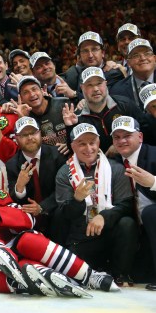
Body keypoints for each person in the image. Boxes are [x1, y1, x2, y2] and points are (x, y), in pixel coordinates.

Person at [0, 167, 113, 296]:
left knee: (28, 241)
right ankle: (59, 280)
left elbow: (28, 219)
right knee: (24, 269)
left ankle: (89, 275)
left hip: (16, 244)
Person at [55, 123, 138, 283]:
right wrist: (77, 199)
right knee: (75, 274)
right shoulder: (64, 173)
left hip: (110, 232)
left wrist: (104, 217)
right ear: (72, 146)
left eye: (92, 143)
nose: (88, 148)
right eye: (82, 144)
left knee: (127, 223)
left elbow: (126, 205)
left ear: (98, 143)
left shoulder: (116, 168)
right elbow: (64, 214)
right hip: (82, 235)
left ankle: (121, 274)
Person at [110, 116, 156, 288]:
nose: (122, 141)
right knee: (140, 276)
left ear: (140, 137)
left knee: (151, 212)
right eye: (117, 137)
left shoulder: (154, 154)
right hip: (140, 231)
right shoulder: (112, 165)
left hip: (151, 218)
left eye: (127, 135)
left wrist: (153, 182)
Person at [6, 117, 67, 241]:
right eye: (24, 135)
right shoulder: (12, 164)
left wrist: (42, 207)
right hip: (31, 222)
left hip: (56, 214)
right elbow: (14, 199)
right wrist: (19, 187)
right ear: (16, 138)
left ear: (40, 133)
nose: (30, 138)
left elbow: (63, 191)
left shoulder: (57, 155)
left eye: (33, 133)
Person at [63, 67, 144, 153]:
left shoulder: (125, 104)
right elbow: (75, 152)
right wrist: (70, 127)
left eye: (99, 83)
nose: (95, 89)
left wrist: (119, 147)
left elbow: (144, 132)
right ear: (82, 88)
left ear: (105, 84)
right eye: (90, 85)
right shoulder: (77, 117)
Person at [12, 76, 70, 153]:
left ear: (42, 91)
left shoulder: (64, 104)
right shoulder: (24, 116)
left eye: (34, 89)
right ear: (21, 99)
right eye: (26, 92)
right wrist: (23, 119)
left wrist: (70, 143)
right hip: (48, 159)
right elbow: (29, 149)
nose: (32, 94)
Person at [110, 38, 155, 108]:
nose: (143, 58)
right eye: (136, 55)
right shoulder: (118, 91)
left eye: (147, 54)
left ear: (154, 58)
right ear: (128, 63)